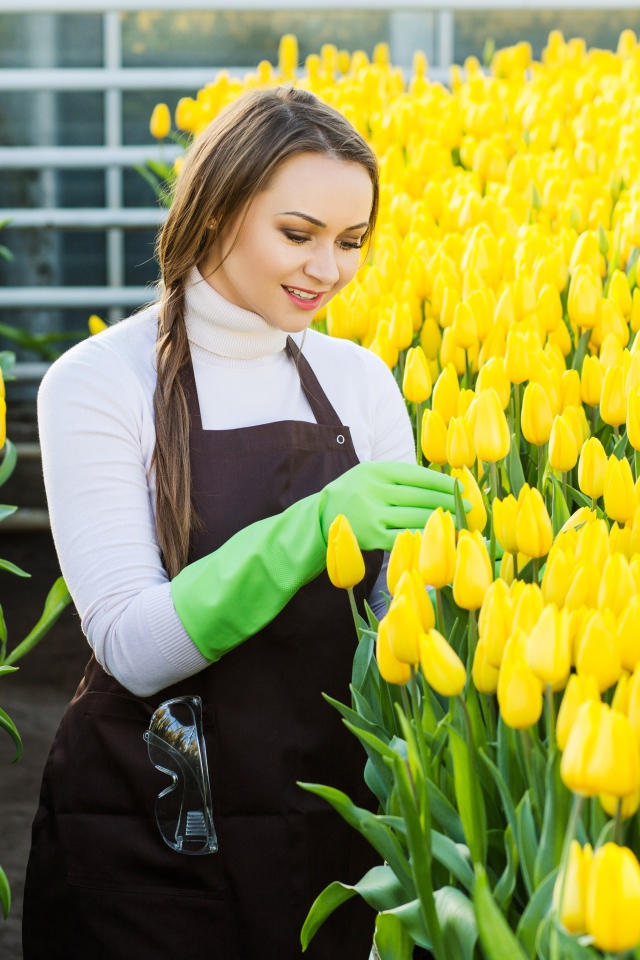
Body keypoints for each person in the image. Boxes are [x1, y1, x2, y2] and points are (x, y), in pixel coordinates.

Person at [22, 86, 460, 960]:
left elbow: (395, 630)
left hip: (324, 823)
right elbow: (133, 646)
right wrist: (314, 527)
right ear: (216, 210)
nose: (327, 270)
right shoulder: (97, 382)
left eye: (351, 242)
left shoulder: (359, 381)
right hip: (149, 831)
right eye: (296, 235)